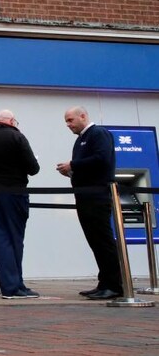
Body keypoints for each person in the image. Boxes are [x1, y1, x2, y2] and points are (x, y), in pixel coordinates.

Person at [56, 106, 122, 300]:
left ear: (83, 116)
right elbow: (89, 164)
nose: (68, 125)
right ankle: (105, 283)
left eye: (70, 120)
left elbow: (102, 159)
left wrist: (73, 165)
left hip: (97, 195)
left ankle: (114, 285)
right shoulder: (81, 140)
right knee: (95, 241)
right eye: (66, 121)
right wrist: (70, 171)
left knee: (103, 240)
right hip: (85, 195)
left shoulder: (98, 134)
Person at [0, 109, 41, 299]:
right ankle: (16, 286)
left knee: (0, 239)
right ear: (12, 121)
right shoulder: (17, 138)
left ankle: (8, 286)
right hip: (15, 192)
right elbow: (33, 168)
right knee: (15, 238)